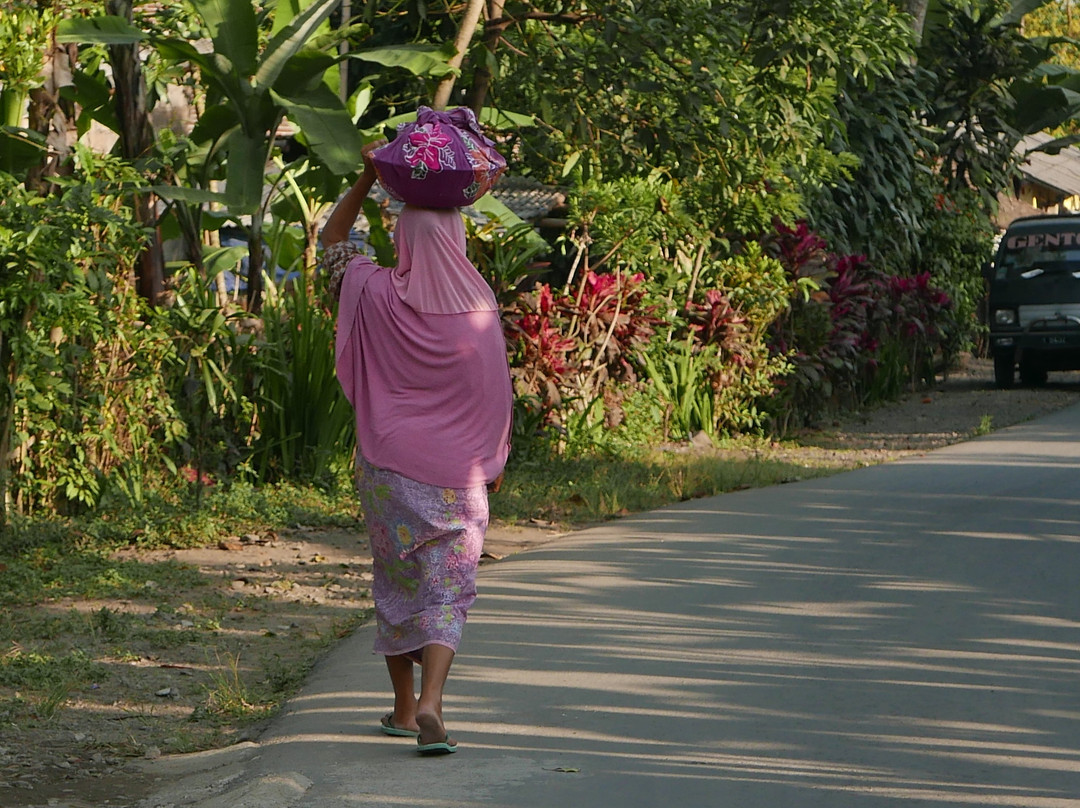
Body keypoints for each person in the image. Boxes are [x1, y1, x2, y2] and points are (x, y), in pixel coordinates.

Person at [320, 141, 512, 756]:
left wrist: (363, 181)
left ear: (402, 241)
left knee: (397, 581)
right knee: (448, 590)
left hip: (387, 467)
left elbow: (331, 242)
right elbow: (496, 394)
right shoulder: (478, 309)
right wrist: (495, 462)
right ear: (456, 241)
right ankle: (431, 700)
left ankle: (403, 709)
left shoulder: (372, 291)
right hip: (461, 473)